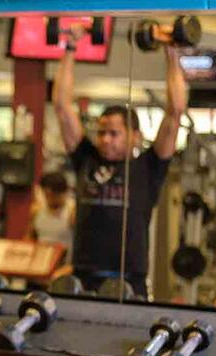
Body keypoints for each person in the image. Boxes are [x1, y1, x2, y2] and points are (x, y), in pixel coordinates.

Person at [52, 26, 186, 297]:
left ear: (135, 136)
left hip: (129, 281)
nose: (105, 140)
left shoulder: (149, 167)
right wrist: (70, 47)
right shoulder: (85, 159)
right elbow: (62, 106)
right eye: (101, 133)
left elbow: (175, 111)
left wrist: (171, 53)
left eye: (114, 133)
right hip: (83, 276)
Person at [28, 171, 76, 262]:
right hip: (41, 259)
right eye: (47, 195)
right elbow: (29, 237)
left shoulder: (71, 211)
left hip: (63, 261)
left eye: (54, 196)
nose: (50, 199)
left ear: (64, 193)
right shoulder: (36, 209)